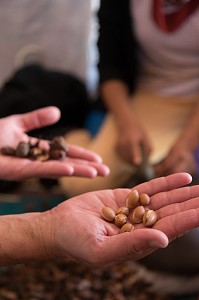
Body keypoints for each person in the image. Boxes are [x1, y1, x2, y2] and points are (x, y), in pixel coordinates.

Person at [57, 0, 199, 288]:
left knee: (179, 187)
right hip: (148, 95)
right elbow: (111, 68)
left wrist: (186, 146)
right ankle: (72, 138)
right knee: (82, 184)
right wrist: (128, 125)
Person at [1, 107, 199, 269]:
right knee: (86, 180)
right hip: (142, 101)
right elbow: (111, 69)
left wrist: (186, 144)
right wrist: (48, 230)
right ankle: (75, 134)